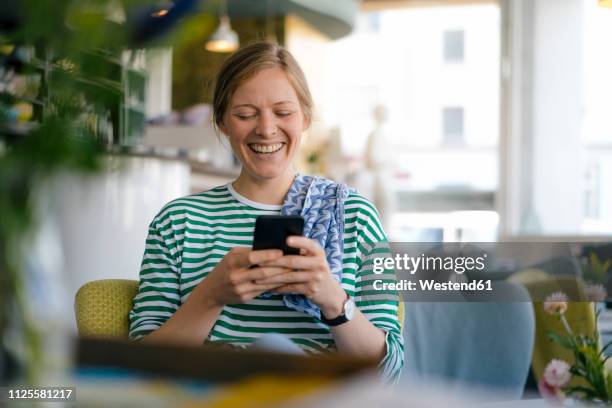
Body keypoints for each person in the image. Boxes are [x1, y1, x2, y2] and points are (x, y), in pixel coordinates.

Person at [128, 41, 404, 383]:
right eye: (245, 114)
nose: (266, 129)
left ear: (305, 116)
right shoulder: (178, 221)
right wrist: (211, 295)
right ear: (223, 122)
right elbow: (140, 365)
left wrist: (332, 299)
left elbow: (388, 373)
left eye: (283, 112)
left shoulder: (355, 214)